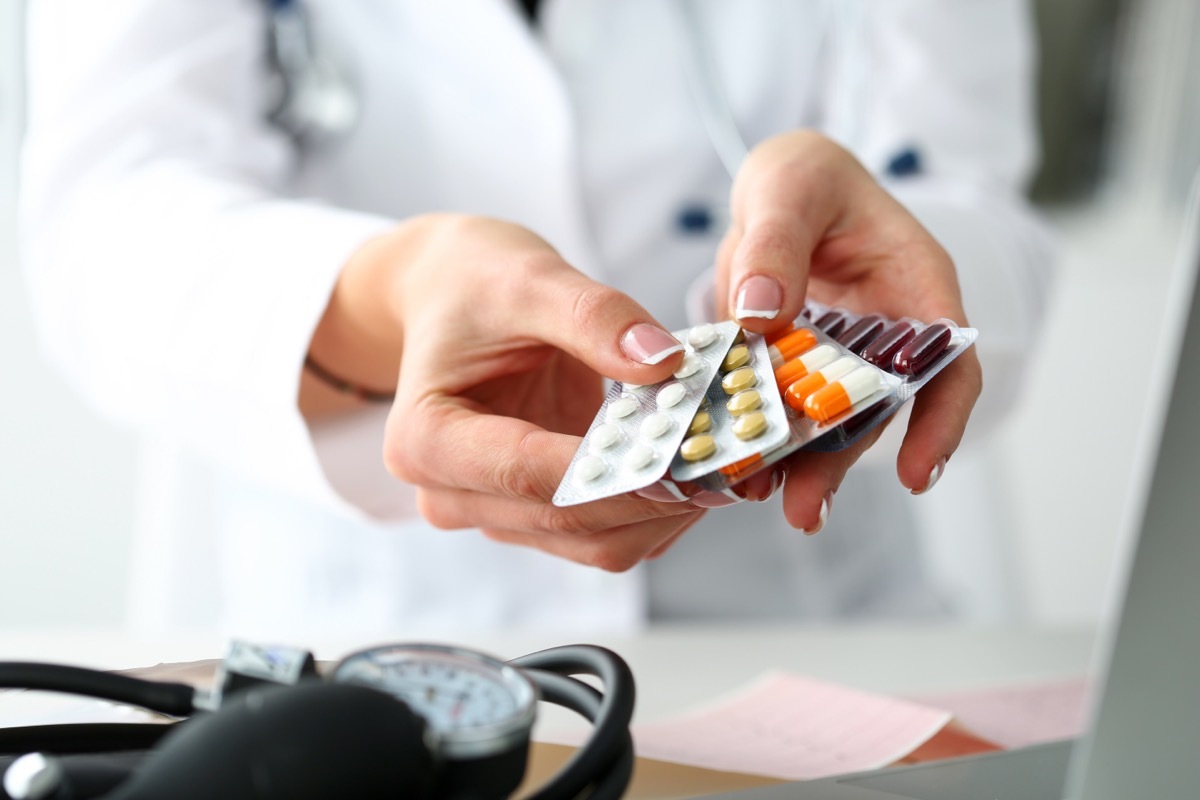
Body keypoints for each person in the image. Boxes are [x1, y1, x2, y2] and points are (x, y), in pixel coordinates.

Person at [19, 1, 1048, 639]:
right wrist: (391, 291)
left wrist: (870, 287)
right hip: (366, 642)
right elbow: (104, 224)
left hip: (803, 630)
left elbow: (970, 195)